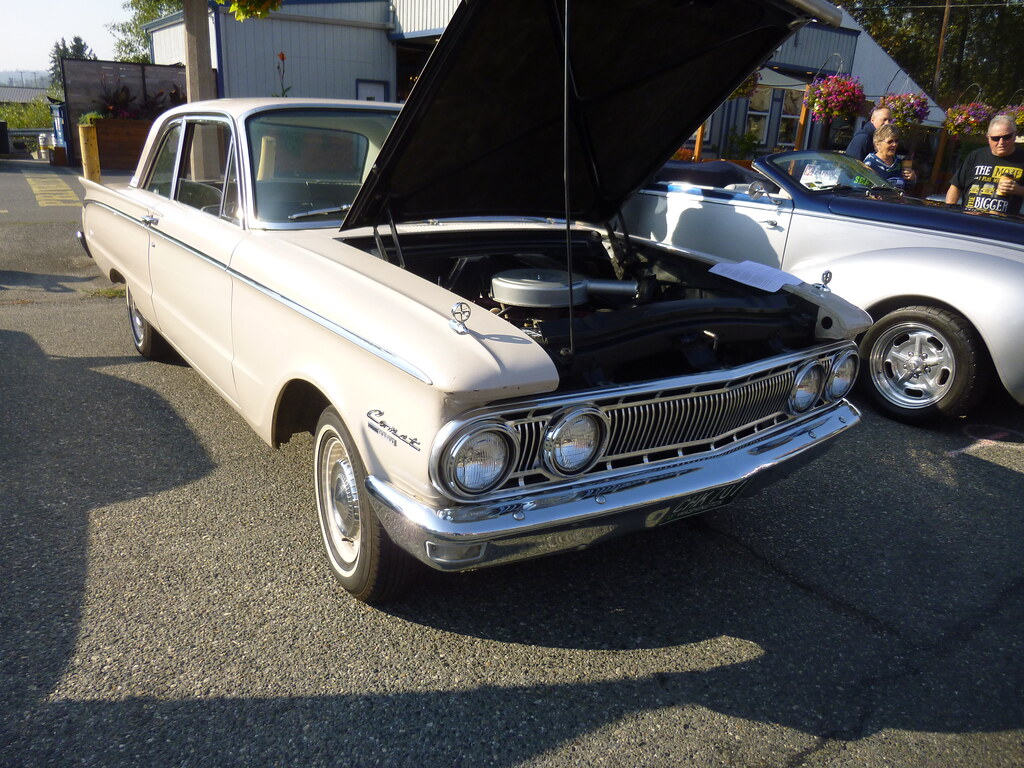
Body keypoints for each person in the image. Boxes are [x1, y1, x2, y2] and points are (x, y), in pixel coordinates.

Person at [945, 115, 1024, 216]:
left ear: (1015, 135)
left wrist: (1018, 190)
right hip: (969, 219)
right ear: (988, 138)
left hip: (1001, 225)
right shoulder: (976, 156)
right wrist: (950, 212)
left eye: (1006, 137)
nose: (1001, 142)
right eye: (995, 138)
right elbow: (955, 186)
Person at [863, 124, 916, 190]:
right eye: (890, 141)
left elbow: (907, 187)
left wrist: (912, 178)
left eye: (896, 141)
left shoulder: (899, 162)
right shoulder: (869, 164)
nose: (894, 144)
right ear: (878, 144)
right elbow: (861, 190)